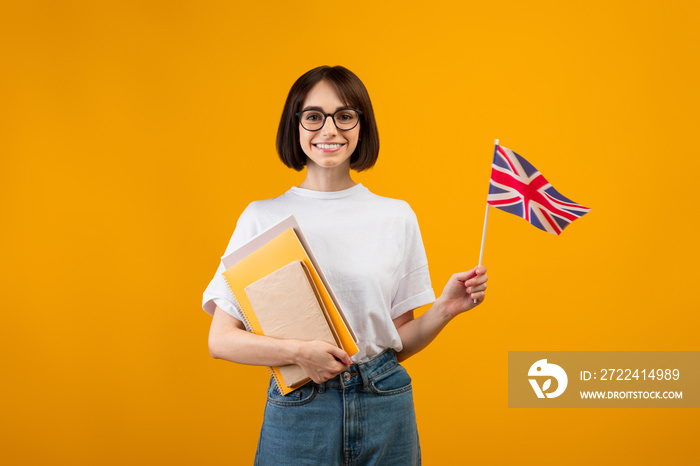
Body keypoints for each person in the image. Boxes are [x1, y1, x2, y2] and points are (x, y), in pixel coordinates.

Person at [202, 65, 488, 465]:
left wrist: (445, 309)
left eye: (345, 115)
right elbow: (221, 341)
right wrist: (298, 353)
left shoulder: (395, 216)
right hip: (302, 407)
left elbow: (398, 343)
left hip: (384, 400)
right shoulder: (261, 218)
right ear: (296, 125)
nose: (330, 129)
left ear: (361, 126)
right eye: (314, 116)